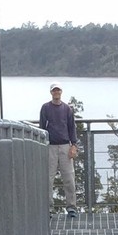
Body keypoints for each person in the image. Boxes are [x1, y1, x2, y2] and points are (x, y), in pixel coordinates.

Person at [38, 83, 78, 216]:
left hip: (65, 146)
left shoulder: (67, 109)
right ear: (51, 92)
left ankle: (71, 207)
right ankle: (48, 207)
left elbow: (72, 127)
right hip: (51, 146)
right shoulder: (45, 108)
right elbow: (42, 127)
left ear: (61, 92)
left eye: (58, 90)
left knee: (69, 178)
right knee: (49, 178)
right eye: (54, 90)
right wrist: (43, 144)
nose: (56, 92)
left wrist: (74, 145)